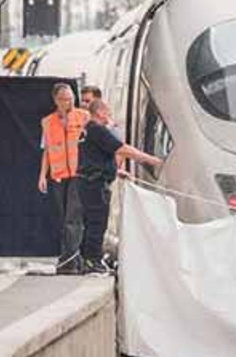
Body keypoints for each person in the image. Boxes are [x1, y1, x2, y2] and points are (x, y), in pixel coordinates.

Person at [77, 100, 162, 274]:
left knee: (91, 221)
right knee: (97, 222)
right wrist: (152, 160)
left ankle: (87, 259)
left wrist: (116, 171)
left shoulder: (88, 130)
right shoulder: (98, 130)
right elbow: (122, 149)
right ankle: (92, 261)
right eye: (107, 110)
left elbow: (95, 157)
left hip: (89, 181)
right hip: (95, 183)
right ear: (99, 112)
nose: (109, 114)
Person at [38, 83, 91, 273]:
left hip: (79, 174)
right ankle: (74, 261)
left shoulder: (83, 117)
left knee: (73, 218)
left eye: (71, 98)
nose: (68, 102)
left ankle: (68, 261)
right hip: (58, 176)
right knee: (63, 218)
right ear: (56, 100)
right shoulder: (47, 122)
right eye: (64, 99)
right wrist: (42, 176)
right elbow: (46, 150)